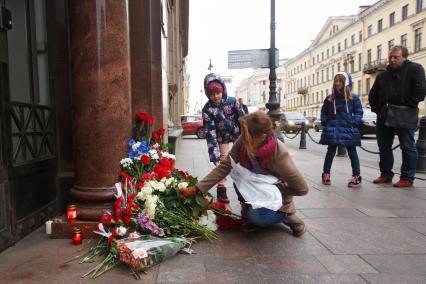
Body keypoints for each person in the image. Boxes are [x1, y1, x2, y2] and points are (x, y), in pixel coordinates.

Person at [180, 111, 309, 237]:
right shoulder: (245, 139)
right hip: (253, 187)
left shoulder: (278, 153)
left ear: (263, 136)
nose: (242, 138)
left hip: (275, 197)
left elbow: (302, 189)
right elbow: (225, 166)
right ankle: (249, 208)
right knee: (239, 174)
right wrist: (196, 189)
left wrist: (275, 191)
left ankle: (286, 214)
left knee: (255, 216)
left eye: (247, 136)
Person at [368, 45, 426, 187]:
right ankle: (386, 174)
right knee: (384, 146)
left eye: (396, 57)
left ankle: (407, 177)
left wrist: (407, 105)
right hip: (385, 116)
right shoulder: (383, 75)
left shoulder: (415, 69)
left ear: (404, 57)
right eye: (390, 57)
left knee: (407, 146)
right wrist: (379, 110)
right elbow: (373, 95)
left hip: (405, 115)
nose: (392, 60)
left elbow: (420, 91)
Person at [202, 73, 244, 203]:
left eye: (218, 93)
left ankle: (245, 187)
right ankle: (221, 189)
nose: (216, 96)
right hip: (221, 136)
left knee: (242, 157)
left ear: (223, 90)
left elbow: (243, 119)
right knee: (223, 160)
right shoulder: (207, 109)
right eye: (212, 94)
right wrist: (214, 155)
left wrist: (247, 137)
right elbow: (210, 132)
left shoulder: (232, 102)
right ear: (208, 94)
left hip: (237, 133)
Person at [320, 71, 363, 188]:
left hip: (348, 127)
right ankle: (326, 174)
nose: (338, 83)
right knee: (331, 151)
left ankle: (356, 176)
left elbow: (359, 111)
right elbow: (323, 112)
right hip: (333, 127)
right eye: (336, 81)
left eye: (340, 81)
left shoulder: (353, 98)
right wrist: (325, 122)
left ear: (346, 83)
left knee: (352, 152)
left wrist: (354, 122)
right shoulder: (330, 98)